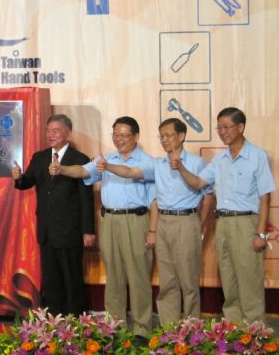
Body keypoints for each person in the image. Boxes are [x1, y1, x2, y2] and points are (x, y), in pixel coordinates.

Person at [96, 118, 214, 325]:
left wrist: (200, 225)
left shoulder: (197, 162)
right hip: (163, 222)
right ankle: (169, 330)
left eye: (168, 135)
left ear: (182, 136)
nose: (165, 140)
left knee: (188, 280)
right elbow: (131, 172)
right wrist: (108, 166)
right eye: (162, 136)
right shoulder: (157, 164)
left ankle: (192, 329)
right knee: (167, 280)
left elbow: (208, 196)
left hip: (187, 221)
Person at [172, 107, 276, 323]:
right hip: (223, 224)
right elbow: (198, 182)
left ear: (240, 127)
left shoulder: (257, 155)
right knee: (229, 280)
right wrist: (181, 167)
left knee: (249, 280)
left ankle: (256, 337)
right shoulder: (219, 160)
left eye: (226, 127)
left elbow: (265, 197)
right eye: (219, 127)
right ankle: (235, 332)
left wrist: (261, 234)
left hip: (247, 223)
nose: (222, 131)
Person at [57, 116, 155, 340]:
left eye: (123, 135)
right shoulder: (106, 159)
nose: (118, 139)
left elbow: (131, 175)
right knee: (114, 276)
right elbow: (83, 171)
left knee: (138, 276)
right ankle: (115, 327)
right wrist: (62, 169)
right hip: (109, 220)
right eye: (115, 135)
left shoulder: (147, 161)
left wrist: (152, 230)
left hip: (136, 220)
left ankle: (142, 330)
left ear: (136, 137)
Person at [12, 114, 95, 316]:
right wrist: (18, 177)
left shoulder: (80, 159)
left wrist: (88, 231)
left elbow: (86, 199)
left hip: (70, 231)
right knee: (51, 279)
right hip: (47, 231)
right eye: (48, 131)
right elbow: (26, 182)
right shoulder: (40, 157)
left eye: (56, 131)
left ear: (68, 133)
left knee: (71, 277)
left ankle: (75, 320)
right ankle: (53, 320)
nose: (51, 135)